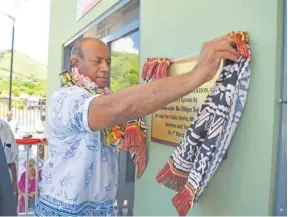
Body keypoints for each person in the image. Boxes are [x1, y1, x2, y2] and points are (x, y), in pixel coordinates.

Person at [34, 35, 239, 216]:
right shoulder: (65, 99)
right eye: (97, 61)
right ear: (74, 63)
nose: (105, 68)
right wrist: (198, 74)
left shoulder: (99, 95)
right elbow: (116, 107)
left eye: (107, 61)